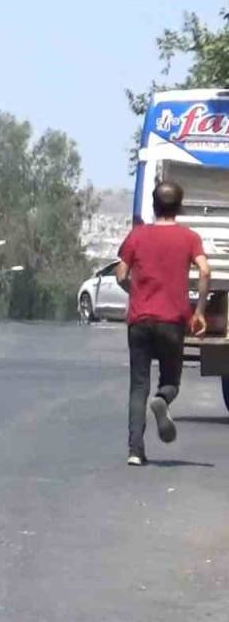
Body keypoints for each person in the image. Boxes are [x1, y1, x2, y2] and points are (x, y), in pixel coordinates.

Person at [116, 180, 210, 466]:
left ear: (153, 206)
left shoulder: (137, 236)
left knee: (138, 385)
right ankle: (163, 399)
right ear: (179, 207)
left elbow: (121, 274)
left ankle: (135, 450)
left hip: (140, 321)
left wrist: (137, 294)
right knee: (170, 381)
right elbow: (205, 270)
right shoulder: (189, 238)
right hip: (172, 321)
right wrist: (199, 311)